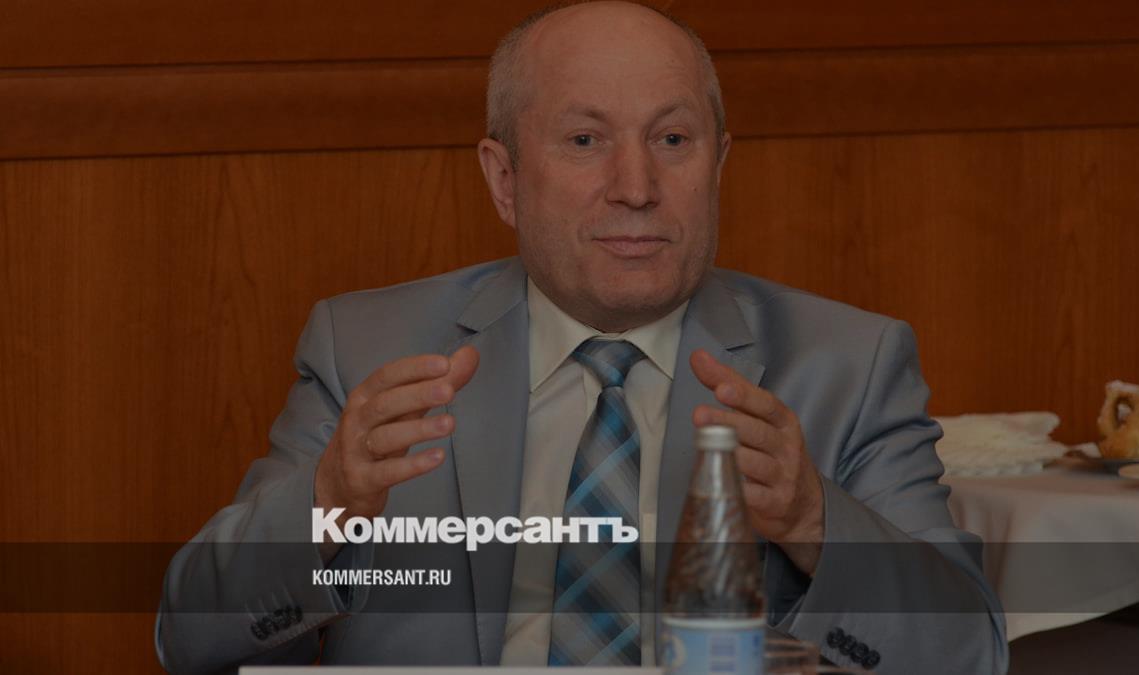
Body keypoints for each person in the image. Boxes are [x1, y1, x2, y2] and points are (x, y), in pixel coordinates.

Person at [156, 2, 1008, 672]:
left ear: (717, 165)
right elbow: (188, 636)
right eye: (584, 140)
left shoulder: (847, 366)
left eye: (672, 139)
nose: (635, 186)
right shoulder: (369, 347)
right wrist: (327, 507)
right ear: (505, 179)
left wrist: (816, 522)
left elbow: (971, 653)